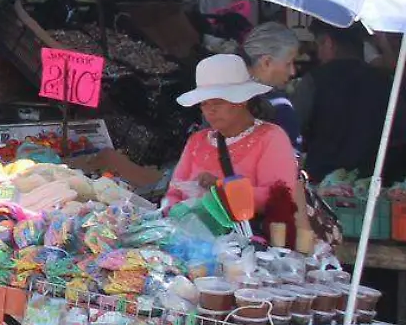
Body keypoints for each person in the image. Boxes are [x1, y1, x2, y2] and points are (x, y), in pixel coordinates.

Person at [164, 54, 302, 223]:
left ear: (242, 100)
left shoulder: (271, 138)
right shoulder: (197, 141)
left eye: (218, 102)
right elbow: (174, 193)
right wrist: (171, 213)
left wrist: (222, 189)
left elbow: (278, 197)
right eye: (204, 103)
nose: (210, 110)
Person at [296, 24, 390, 182]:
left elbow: (294, 124)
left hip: (321, 179)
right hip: (370, 180)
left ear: (329, 42)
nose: (318, 54)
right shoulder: (383, 81)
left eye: (319, 45)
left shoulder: (315, 80)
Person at [242, 23, 303, 148]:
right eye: (288, 63)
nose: (293, 72)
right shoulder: (280, 108)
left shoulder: (218, 100)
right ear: (267, 62)